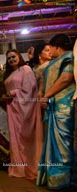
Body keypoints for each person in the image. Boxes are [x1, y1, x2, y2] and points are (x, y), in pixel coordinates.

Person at [37, 34, 75, 190]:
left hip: (64, 106)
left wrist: (46, 95)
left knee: (63, 144)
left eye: (50, 48)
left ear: (57, 46)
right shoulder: (54, 61)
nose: (49, 51)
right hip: (55, 106)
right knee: (55, 143)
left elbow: (66, 78)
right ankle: (54, 177)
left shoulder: (69, 57)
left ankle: (63, 180)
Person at [3, 49, 42, 180]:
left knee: (25, 136)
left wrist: (13, 93)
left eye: (13, 57)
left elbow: (30, 88)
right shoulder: (10, 73)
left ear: (19, 56)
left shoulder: (25, 69)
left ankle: (30, 167)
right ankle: (19, 167)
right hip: (12, 108)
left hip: (23, 108)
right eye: (9, 58)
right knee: (15, 138)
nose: (11, 60)